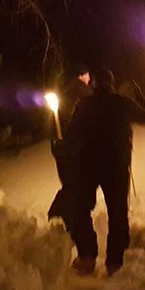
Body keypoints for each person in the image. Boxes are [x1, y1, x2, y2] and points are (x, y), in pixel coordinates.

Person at [66, 68, 145, 276]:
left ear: (93, 84)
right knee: (118, 212)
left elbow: (71, 134)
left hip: (88, 166)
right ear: (111, 84)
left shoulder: (83, 105)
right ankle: (115, 262)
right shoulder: (122, 103)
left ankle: (87, 256)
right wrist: (137, 92)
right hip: (116, 165)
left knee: (80, 208)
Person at [47, 63, 92, 229]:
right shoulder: (84, 94)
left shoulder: (65, 93)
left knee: (71, 184)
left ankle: (65, 217)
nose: (90, 77)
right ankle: (61, 215)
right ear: (82, 75)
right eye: (88, 74)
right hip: (73, 148)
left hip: (61, 147)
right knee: (76, 185)